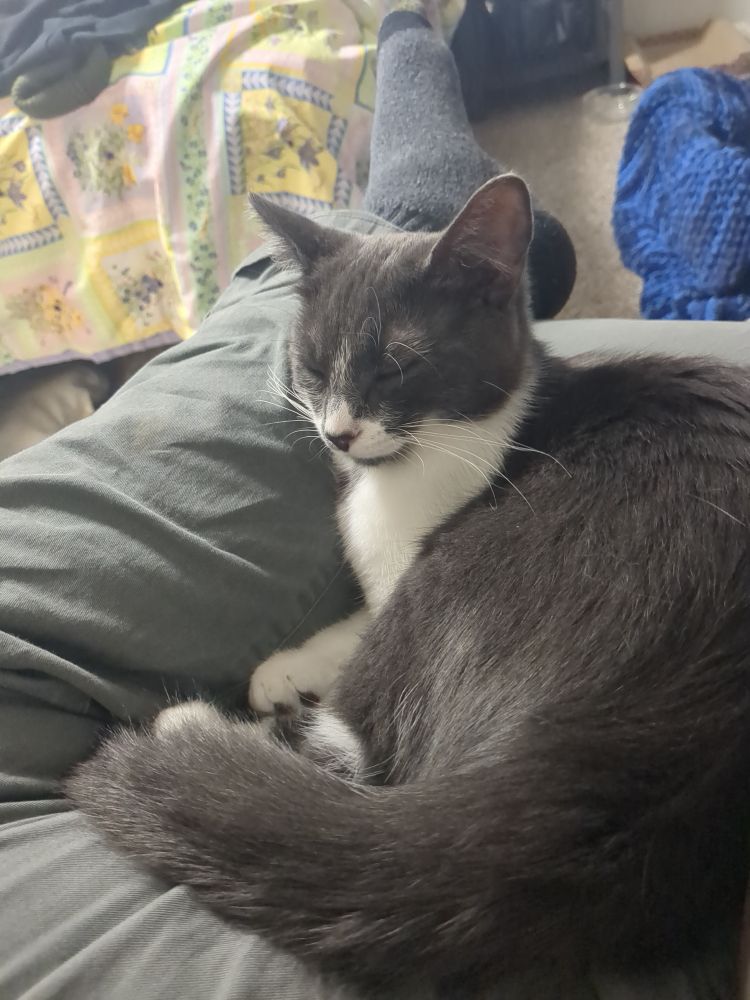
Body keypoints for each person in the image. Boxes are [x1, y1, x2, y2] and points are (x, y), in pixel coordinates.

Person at [0, 9, 734, 1000]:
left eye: (388, 378)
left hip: (546, 809)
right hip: (654, 819)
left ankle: (418, 128)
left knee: (309, 296)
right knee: (352, 261)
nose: (338, 426)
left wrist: (327, 729)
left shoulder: (502, 482)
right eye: (317, 378)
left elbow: (432, 626)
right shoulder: (558, 450)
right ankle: (428, 134)